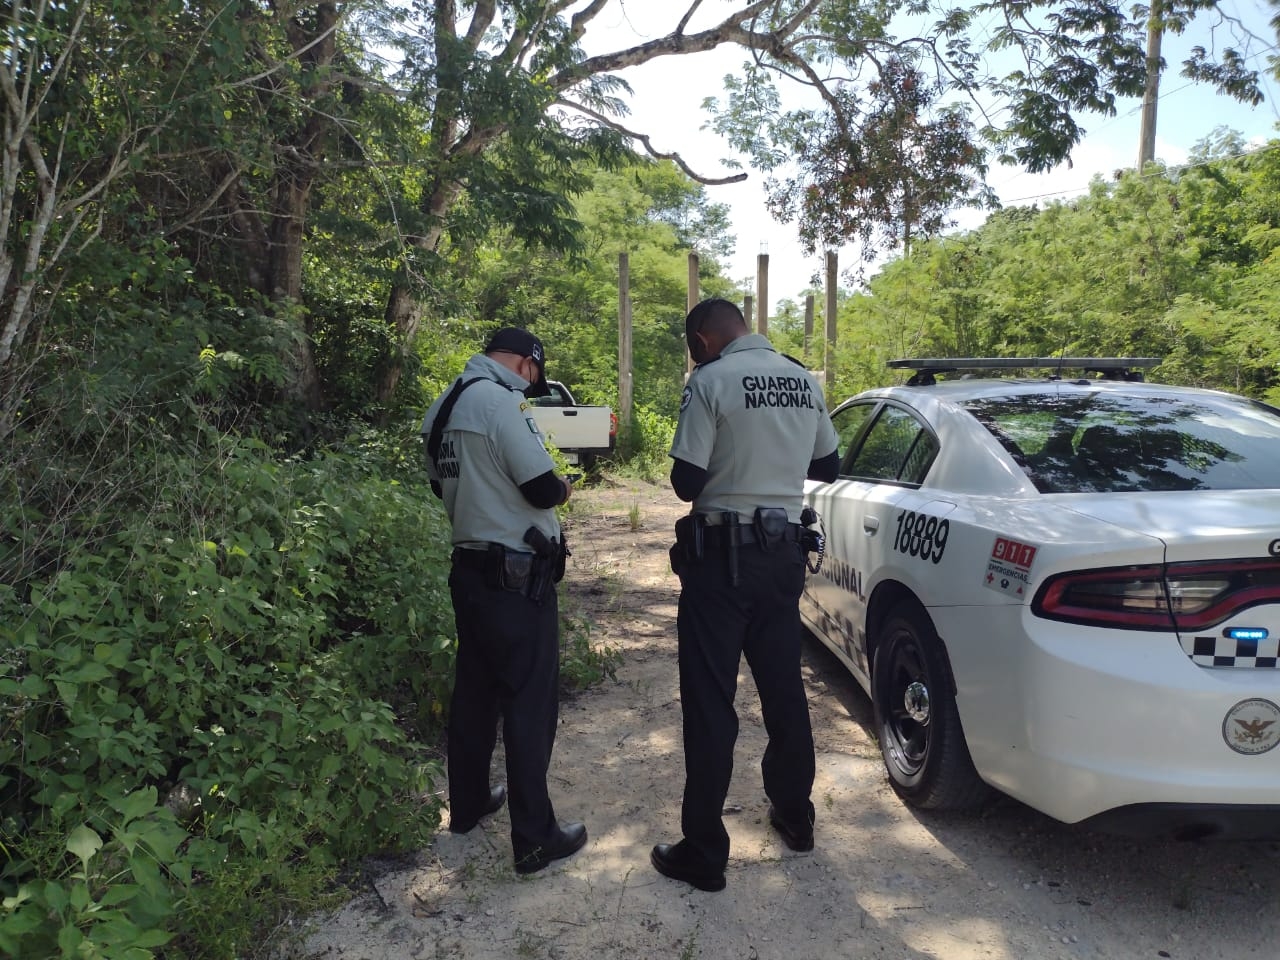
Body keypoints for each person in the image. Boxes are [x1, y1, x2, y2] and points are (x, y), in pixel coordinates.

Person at [651, 298, 840, 892]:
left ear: (703, 339)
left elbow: (686, 482)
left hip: (721, 564)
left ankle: (705, 852)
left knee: (711, 701)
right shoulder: (799, 378)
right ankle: (795, 818)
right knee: (784, 691)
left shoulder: (710, 380)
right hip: (782, 556)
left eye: (691, 346)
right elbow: (829, 464)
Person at [420, 327, 587, 875]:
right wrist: (564, 488)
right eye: (534, 374)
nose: (532, 384)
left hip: (468, 571)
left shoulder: (443, 407)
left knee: (474, 694)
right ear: (522, 363)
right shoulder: (500, 401)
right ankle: (535, 838)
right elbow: (539, 486)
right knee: (527, 704)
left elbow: (437, 484)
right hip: (517, 581)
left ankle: (466, 807)